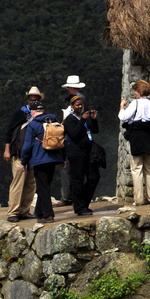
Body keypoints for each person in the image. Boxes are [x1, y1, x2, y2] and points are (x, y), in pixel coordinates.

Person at [19, 98, 65, 223]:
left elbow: (27, 145)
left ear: (33, 112)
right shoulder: (53, 120)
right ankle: (39, 212)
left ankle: (48, 214)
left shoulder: (33, 124)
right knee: (45, 185)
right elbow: (62, 139)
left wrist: (24, 161)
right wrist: (62, 159)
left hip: (39, 159)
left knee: (42, 187)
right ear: (42, 111)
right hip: (54, 158)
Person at [119, 80, 150, 206]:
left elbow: (123, 117)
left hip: (137, 138)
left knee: (137, 169)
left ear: (138, 92)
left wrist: (122, 107)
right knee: (149, 168)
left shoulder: (135, 104)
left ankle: (139, 199)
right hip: (149, 138)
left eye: (135, 91)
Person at [3, 86, 42, 222]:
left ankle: (24, 210)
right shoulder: (21, 113)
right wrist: (7, 149)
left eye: (35, 100)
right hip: (19, 154)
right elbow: (9, 131)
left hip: (32, 155)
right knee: (18, 182)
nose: (33, 102)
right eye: (31, 100)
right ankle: (13, 212)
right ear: (28, 100)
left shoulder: (39, 114)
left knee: (30, 183)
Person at [63, 93, 99, 216]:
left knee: (94, 177)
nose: (79, 107)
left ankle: (83, 202)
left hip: (88, 152)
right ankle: (79, 207)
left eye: (81, 105)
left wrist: (93, 119)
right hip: (76, 153)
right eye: (77, 105)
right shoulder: (69, 120)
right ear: (72, 106)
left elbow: (95, 130)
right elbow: (74, 134)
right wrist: (83, 119)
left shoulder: (86, 117)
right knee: (77, 180)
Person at [55, 74, 87, 207]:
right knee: (72, 168)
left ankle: (68, 196)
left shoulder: (79, 99)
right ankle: (71, 195)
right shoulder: (78, 98)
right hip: (73, 136)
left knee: (67, 167)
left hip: (72, 138)